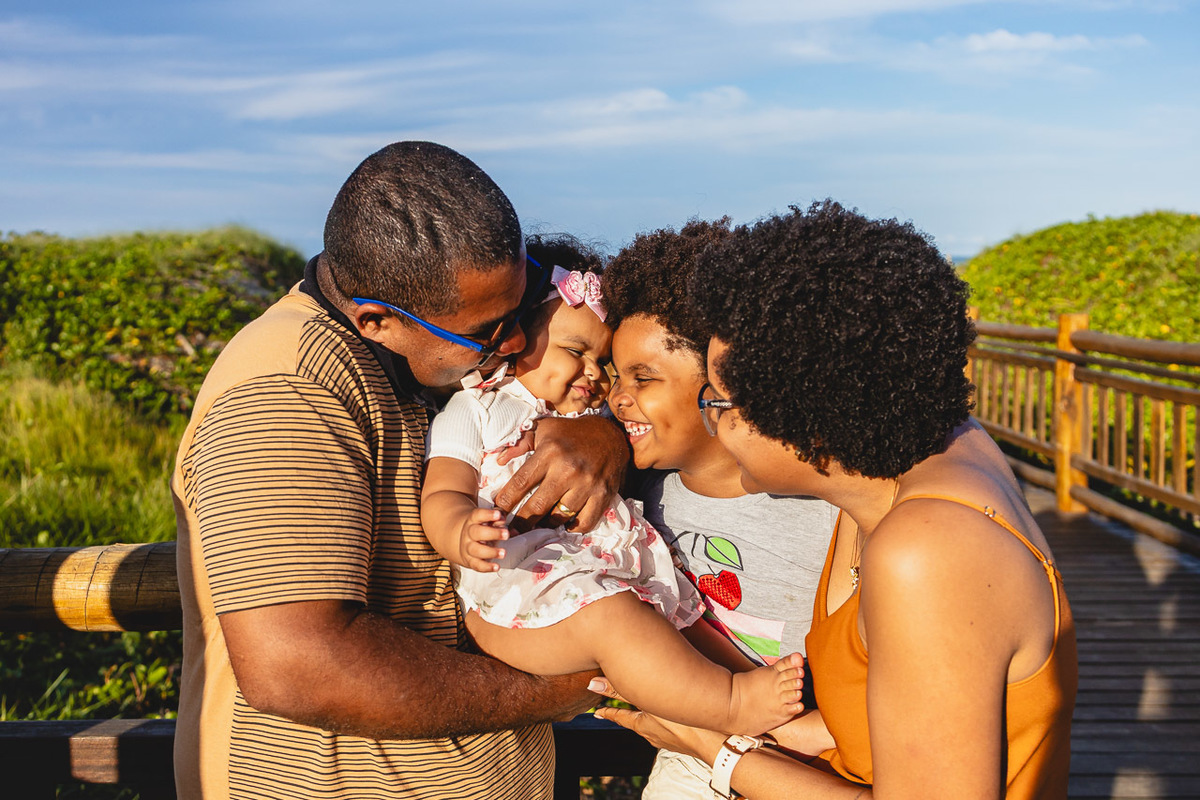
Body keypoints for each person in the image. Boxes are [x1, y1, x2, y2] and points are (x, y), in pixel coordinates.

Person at [171, 142, 630, 800]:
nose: (518, 342)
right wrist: (559, 686)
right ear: (376, 320)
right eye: (492, 329)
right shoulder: (287, 389)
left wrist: (601, 431)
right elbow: (296, 665)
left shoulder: (441, 360)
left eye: (523, 300)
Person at [597, 200, 1078, 800]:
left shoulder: (928, 550)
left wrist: (711, 749)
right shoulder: (931, 451)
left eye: (718, 402)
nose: (712, 426)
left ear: (805, 415)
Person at [421, 234, 806, 738]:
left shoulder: (600, 417)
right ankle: (732, 706)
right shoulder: (476, 410)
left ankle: (745, 696)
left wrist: (601, 430)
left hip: (607, 571)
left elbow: (638, 424)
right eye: (574, 350)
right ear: (516, 341)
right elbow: (443, 491)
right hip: (516, 592)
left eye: (603, 363)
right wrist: (461, 533)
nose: (595, 375)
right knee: (615, 619)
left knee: (675, 610)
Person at [600, 219, 840, 798]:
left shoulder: (819, 501)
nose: (617, 397)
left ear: (719, 378)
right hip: (696, 753)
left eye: (644, 377)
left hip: (821, 753)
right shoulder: (636, 495)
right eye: (614, 375)